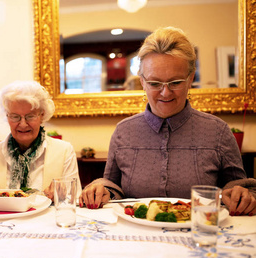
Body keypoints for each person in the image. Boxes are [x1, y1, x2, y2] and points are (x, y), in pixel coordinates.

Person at [79, 27, 256, 216]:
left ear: (190, 79)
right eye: (155, 83)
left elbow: (241, 188)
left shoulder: (218, 131)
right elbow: (112, 186)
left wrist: (243, 196)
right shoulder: (124, 131)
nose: (165, 92)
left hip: (198, 236)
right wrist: (100, 188)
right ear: (143, 81)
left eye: (176, 82)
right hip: (136, 236)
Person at [0, 81, 81, 199]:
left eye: (30, 116)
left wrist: (61, 196)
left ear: (42, 115)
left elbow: (75, 199)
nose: (23, 124)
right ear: (7, 116)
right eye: (15, 117)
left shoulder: (64, 151)